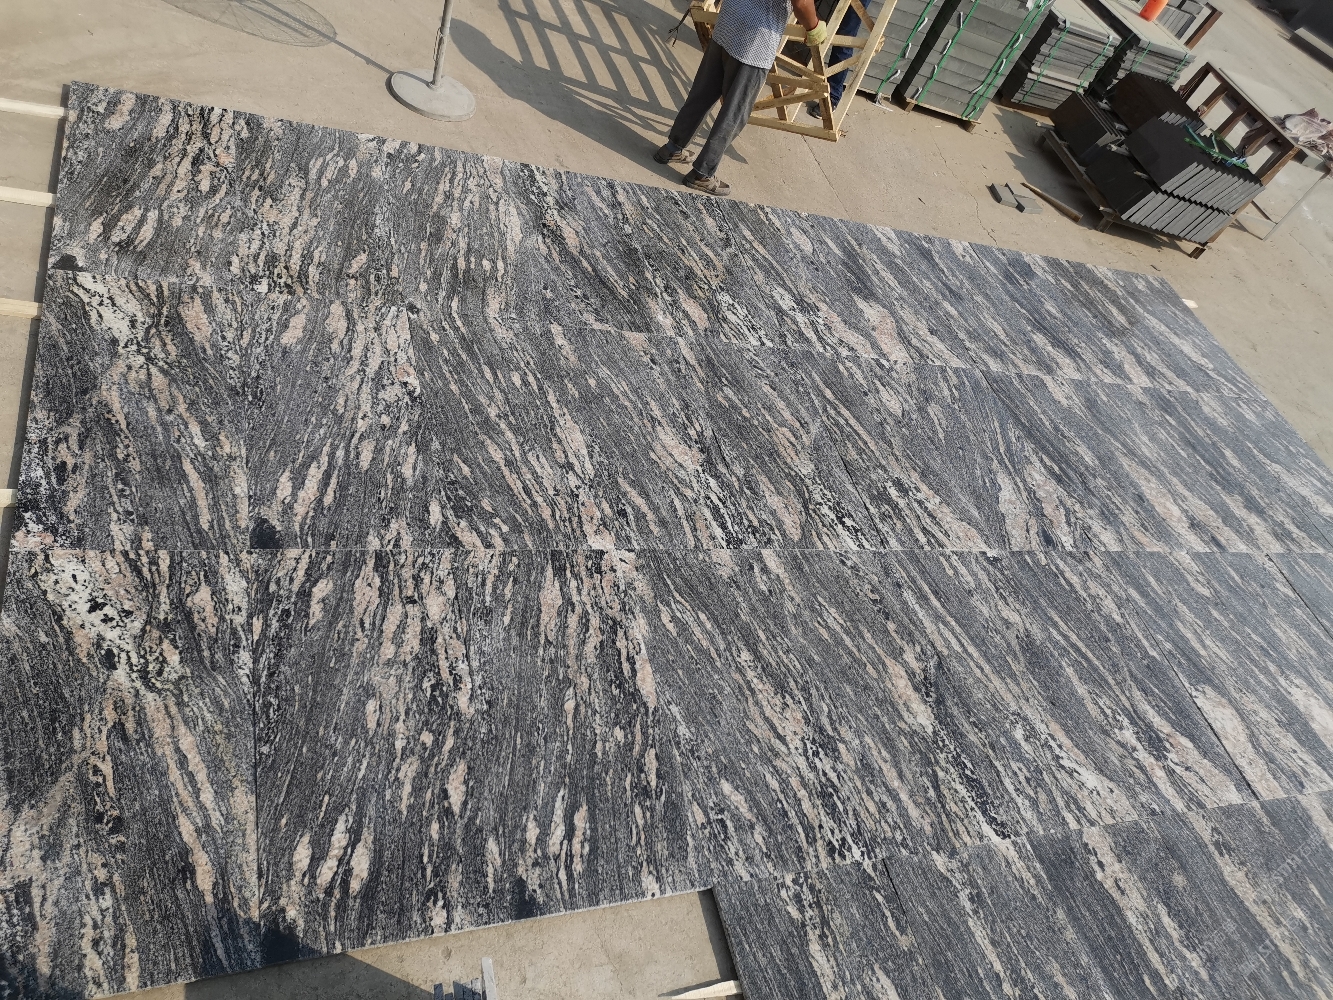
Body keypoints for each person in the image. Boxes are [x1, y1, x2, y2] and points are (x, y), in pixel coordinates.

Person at [655, 0, 827, 196]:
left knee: (702, 93)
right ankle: (702, 174)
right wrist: (814, 27)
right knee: (734, 114)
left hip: (728, 22)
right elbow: (801, 2)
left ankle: (671, 148)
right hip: (754, 42)